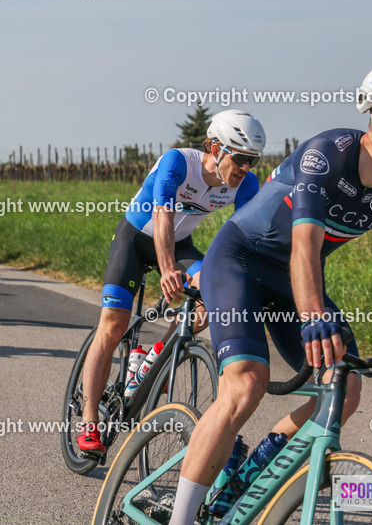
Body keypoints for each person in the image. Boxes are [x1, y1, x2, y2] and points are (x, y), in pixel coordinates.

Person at [167, 60, 372, 525]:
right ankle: (181, 518)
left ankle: (254, 468)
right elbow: (304, 245)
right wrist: (312, 318)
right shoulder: (327, 152)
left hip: (294, 283)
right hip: (241, 260)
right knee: (246, 385)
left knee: (344, 392)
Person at [77, 110, 266, 458]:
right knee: (113, 323)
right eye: (240, 158)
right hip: (136, 237)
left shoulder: (246, 184)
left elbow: (248, 236)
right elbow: (163, 215)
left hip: (180, 245)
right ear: (214, 148)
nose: (245, 168)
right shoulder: (178, 162)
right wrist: (166, 270)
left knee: (208, 297)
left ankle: (156, 357)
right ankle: (89, 421)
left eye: (252, 161)